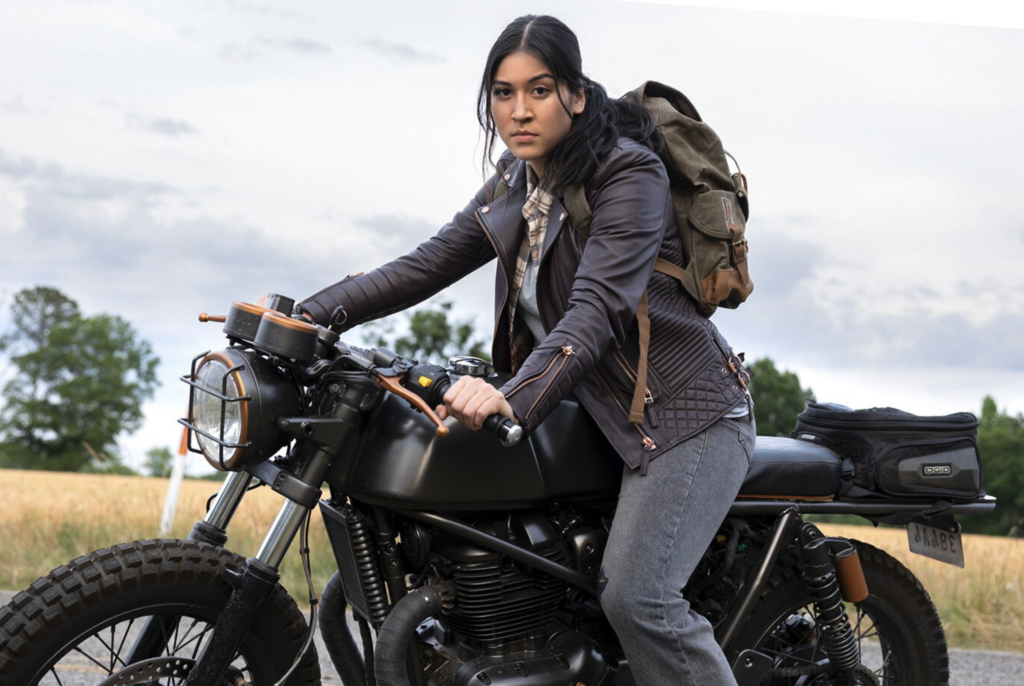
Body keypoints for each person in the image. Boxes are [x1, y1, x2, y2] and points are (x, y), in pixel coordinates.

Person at [298, 14, 755, 686]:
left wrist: (512, 395)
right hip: (594, 414)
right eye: (503, 93)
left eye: (538, 90)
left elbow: (593, 310)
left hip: (685, 419)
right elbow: (425, 265)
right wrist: (304, 316)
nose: (519, 110)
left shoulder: (630, 174)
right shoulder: (518, 183)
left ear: (574, 92)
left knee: (639, 599)